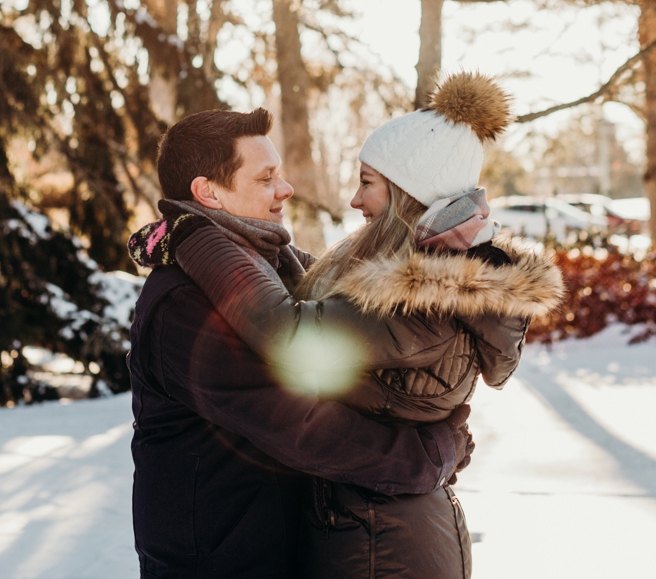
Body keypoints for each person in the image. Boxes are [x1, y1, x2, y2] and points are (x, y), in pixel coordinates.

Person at [138, 73, 563, 578]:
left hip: (355, 541)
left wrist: (187, 233)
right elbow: (297, 426)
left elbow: (309, 317)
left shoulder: (292, 275)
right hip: (223, 561)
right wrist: (426, 457)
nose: (287, 188)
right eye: (264, 177)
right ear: (207, 192)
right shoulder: (185, 303)